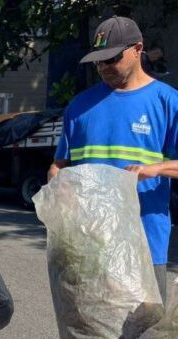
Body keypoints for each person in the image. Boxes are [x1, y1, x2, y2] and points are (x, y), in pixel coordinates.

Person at [48, 16, 178, 303]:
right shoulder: (79, 107)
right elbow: (59, 166)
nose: (104, 67)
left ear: (138, 49)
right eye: (98, 62)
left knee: (144, 329)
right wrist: (57, 186)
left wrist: (155, 169)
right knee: (86, 326)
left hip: (144, 244)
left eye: (112, 59)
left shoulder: (168, 103)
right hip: (88, 244)